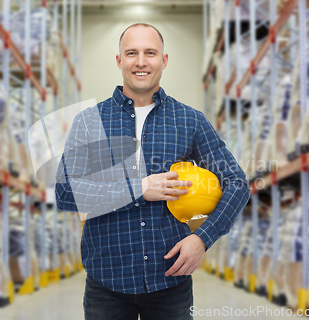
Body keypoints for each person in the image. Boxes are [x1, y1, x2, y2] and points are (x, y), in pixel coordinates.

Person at [56, 23, 250, 320]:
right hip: (106, 281)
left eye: (150, 53)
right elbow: (65, 192)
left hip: (170, 279)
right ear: (119, 61)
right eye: (132, 53)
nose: (141, 61)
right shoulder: (89, 122)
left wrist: (203, 239)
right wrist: (138, 188)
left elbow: (236, 182)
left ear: (164, 60)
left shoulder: (189, 120)